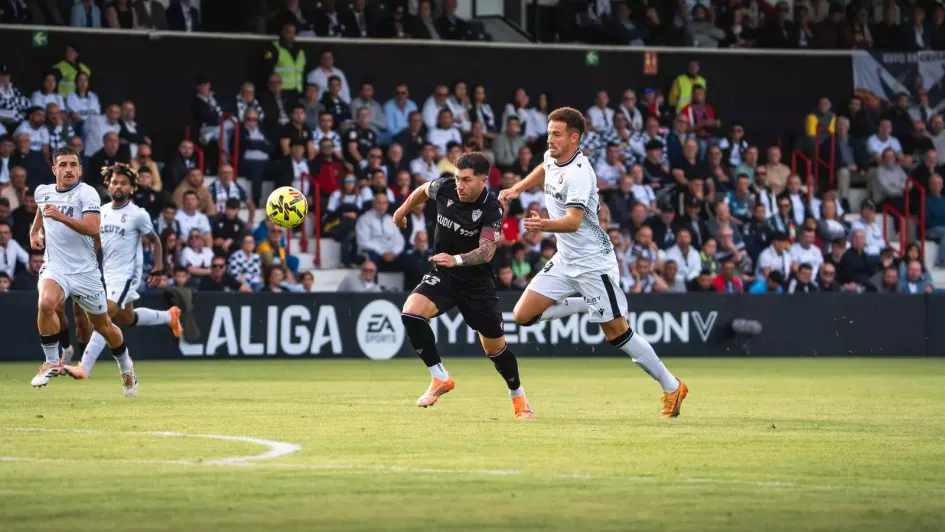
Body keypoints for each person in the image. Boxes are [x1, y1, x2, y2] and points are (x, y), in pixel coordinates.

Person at [498, 107, 687, 418]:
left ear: (574, 138)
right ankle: (585, 305)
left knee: (617, 334)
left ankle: (671, 386)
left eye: (556, 134)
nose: (550, 139)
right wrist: (518, 188)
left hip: (592, 264)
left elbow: (572, 222)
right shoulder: (553, 156)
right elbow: (544, 168)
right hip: (565, 260)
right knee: (522, 316)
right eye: (548, 133)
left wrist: (541, 225)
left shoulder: (581, 173)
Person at [392, 152, 533, 419]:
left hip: (477, 284)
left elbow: (487, 251)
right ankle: (440, 377)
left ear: (483, 181)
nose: (460, 185)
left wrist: (455, 260)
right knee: (411, 312)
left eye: (467, 180)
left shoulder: (491, 208)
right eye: (458, 178)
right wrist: (401, 211)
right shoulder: (445, 187)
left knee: (495, 350)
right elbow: (423, 190)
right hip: (444, 275)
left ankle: (517, 395)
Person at [28, 147, 135, 396]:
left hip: (85, 272)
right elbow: (41, 213)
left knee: (104, 327)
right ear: (54, 169)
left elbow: (92, 227)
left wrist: (61, 217)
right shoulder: (43, 192)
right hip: (55, 266)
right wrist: (35, 233)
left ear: (80, 169)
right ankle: (52, 361)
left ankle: (125, 366)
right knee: (46, 304)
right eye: (63, 165)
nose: (68, 169)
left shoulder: (86, 193)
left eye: (73, 165)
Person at [61, 164, 182, 380]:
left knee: (103, 316)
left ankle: (84, 367)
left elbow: (154, 239)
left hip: (127, 275)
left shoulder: (138, 214)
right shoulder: (102, 211)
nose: (118, 186)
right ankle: (169, 316)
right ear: (108, 184)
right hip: (108, 274)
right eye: (115, 182)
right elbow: (97, 242)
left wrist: (157, 267)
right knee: (128, 318)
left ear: (132, 188)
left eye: (124, 183)